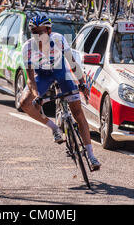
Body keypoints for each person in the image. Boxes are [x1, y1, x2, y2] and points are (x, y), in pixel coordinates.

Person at [19, 15, 101, 170]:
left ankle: (91, 155)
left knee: (77, 112)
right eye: (33, 32)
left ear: (49, 31)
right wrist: (38, 97)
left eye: (40, 32)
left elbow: (72, 63)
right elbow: (30, 80)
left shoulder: (58, 40)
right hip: (41, 76)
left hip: (60, 73)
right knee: (24, 103)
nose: (37, 36)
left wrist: (82, 84)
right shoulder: (28, 47)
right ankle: (54, 128)